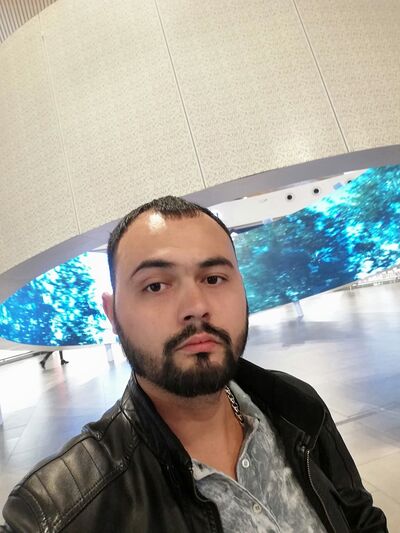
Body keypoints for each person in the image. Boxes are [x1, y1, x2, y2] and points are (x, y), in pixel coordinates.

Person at [1, 196, 387, 532]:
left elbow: (360, 518)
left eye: (214, 278)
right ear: (112, 313)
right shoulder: (59, 509)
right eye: (156, 285)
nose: (196, 307)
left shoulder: (296, 406)